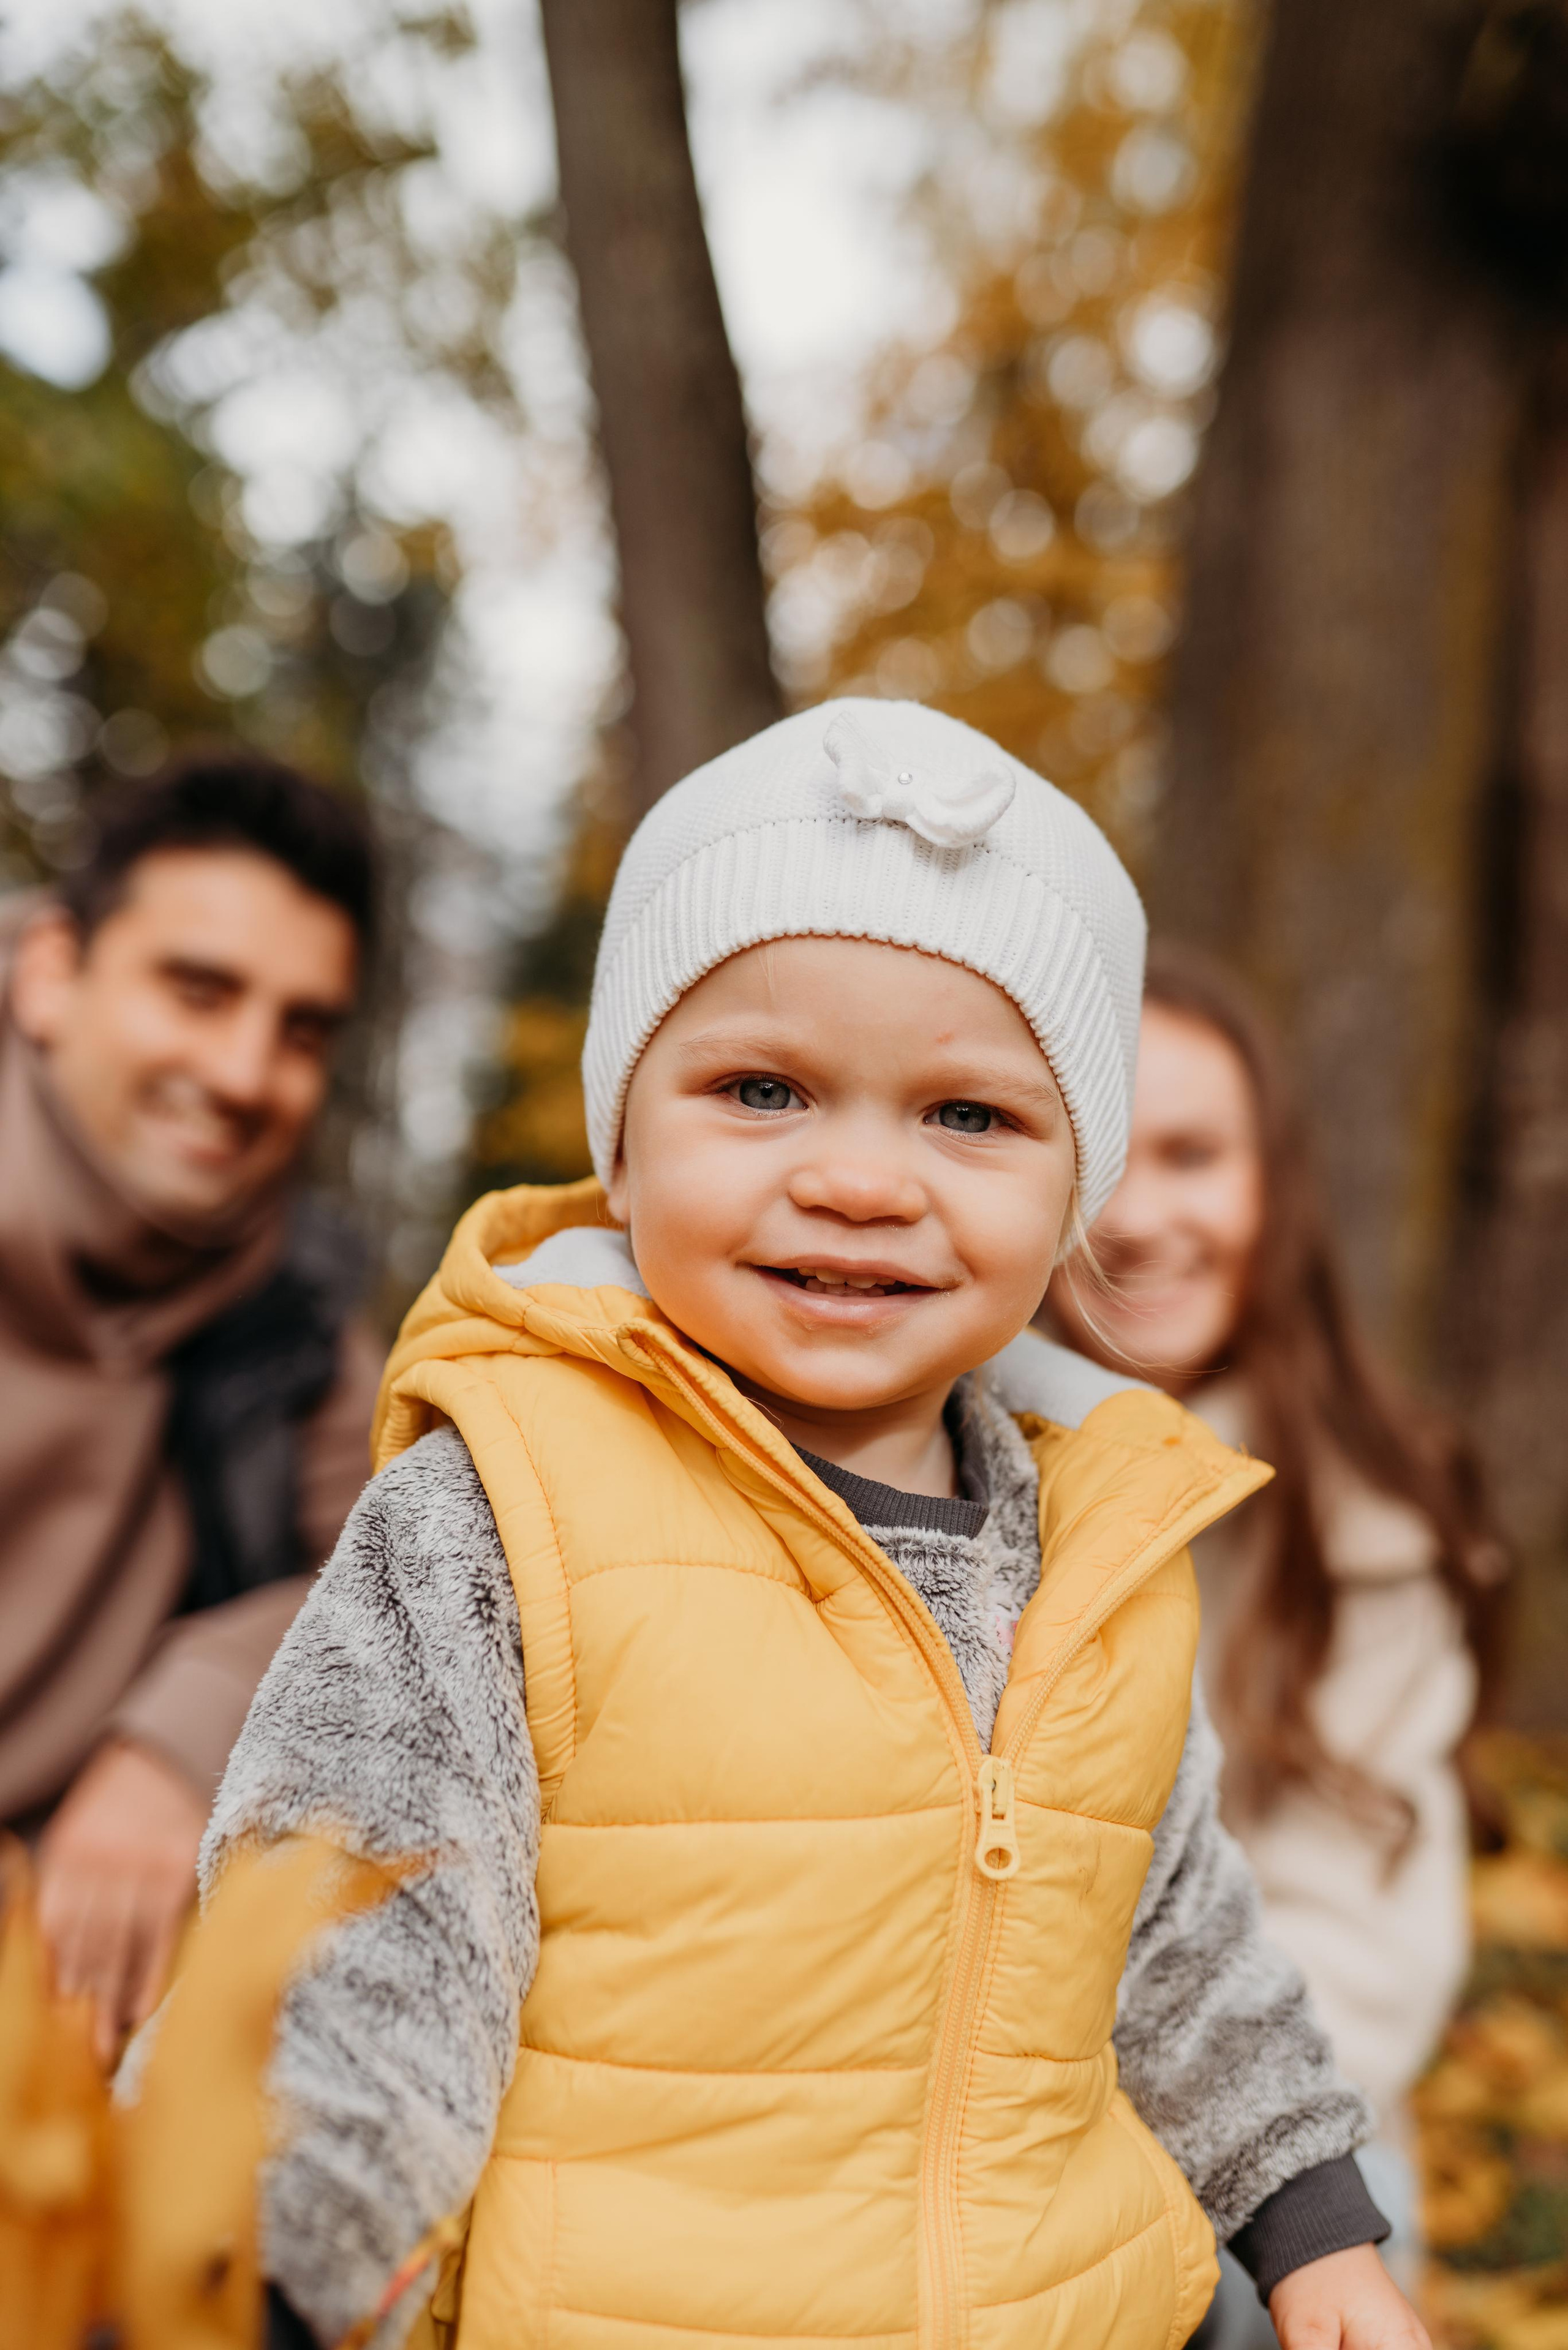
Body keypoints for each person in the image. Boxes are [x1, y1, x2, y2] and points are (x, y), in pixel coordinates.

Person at [162, 702, 1427, 2350]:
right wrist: (259, 2263)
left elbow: (1176, 1936)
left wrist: (1317, 2230)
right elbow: (347, 1933)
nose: (860, 1179)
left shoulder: (1094, 1533)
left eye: (968, 1116)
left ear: (1074, 1195)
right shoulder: (508, 1501)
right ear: (623, 1141)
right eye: (765, 1088)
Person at [1048, 944, 1507, 2346]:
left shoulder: (1365, 1519)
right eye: (1099, 1154)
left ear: (1271, 1189)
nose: (1136, 1216)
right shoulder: (919, 1469)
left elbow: (1358, 1952)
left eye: (1191, 1154)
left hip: (1269, 2106)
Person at [0, 751, 384, 2061]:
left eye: (300, 1028)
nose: (241, 1071)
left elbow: (403, 1572)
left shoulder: (303, 1322)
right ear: (52, 973)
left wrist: (179, 1734)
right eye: (198, 989)